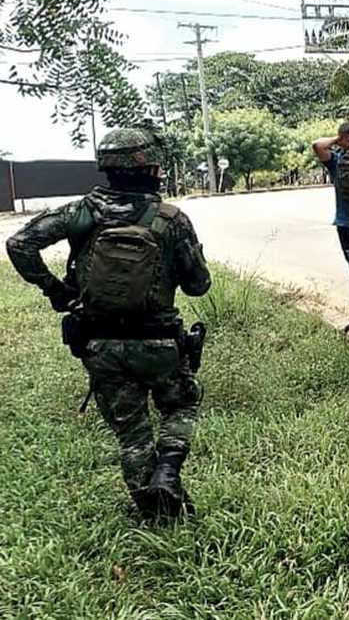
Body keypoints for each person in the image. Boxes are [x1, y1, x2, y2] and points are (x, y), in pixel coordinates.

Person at [6, 127, 212, 519]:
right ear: (151, 168)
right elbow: (198, 286)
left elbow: (19, 244)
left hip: (100, 345)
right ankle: (168, 472)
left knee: (133, 436)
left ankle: (157, 514)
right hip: (160, 343)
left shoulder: (81, 211)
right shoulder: (171, 218)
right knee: (181, 405)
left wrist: (55, 290)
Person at [313, 121, 349, 331]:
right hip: (345, 225)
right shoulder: (336, 161)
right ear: (341, 141)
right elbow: (318, 146)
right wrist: (338, 139)